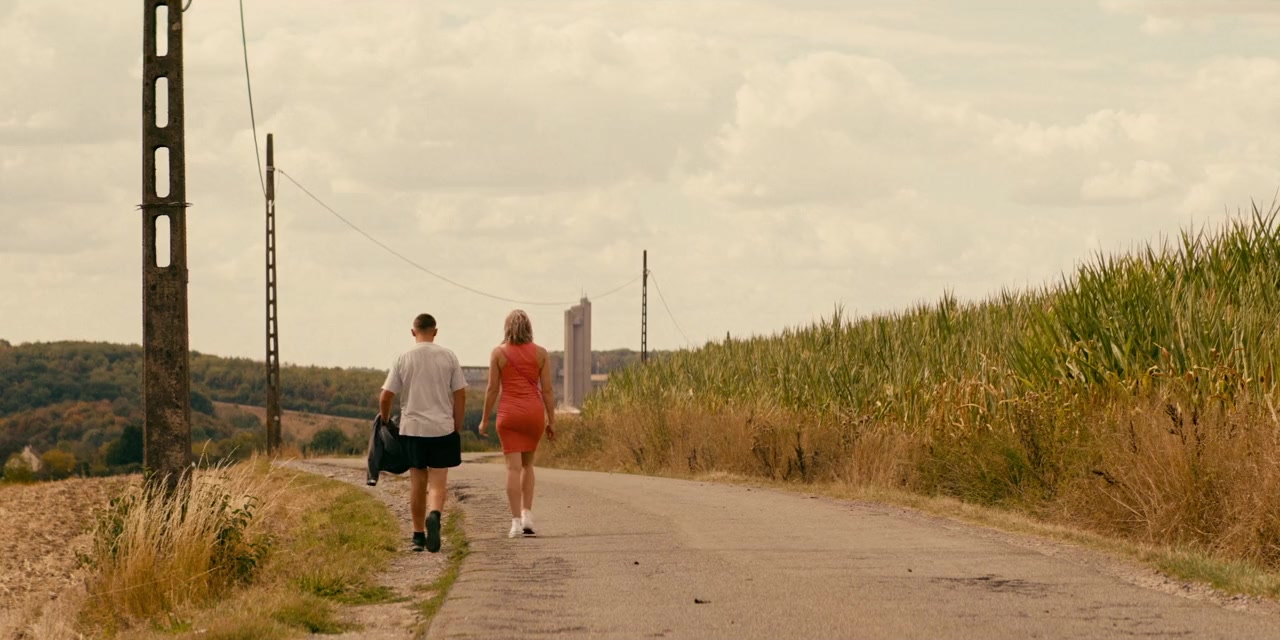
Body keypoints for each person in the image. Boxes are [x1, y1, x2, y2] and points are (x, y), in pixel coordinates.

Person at [379, 313, 467, 553]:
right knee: (438, 481)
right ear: (435, 332)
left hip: (413, 428)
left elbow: (386, 396)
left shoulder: (403, 358)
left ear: (413, 332)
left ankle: (418, 536)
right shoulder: (449, 356)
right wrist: (456, 425)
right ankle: (435, 514)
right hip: (442, 427)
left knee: (417, 482)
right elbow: (460, 394)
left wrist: (385, 421)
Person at [479, 309, 556, 538]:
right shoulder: (541, 354)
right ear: (529, 328)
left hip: (509, 414)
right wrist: (551, 421)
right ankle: (527, 515)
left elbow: (492, 389)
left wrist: (484, 419)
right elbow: (548, 390)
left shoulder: (498, 353)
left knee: (512, 468)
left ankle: (514, 523)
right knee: (527, 466)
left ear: (507, 328)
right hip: (533, 414)